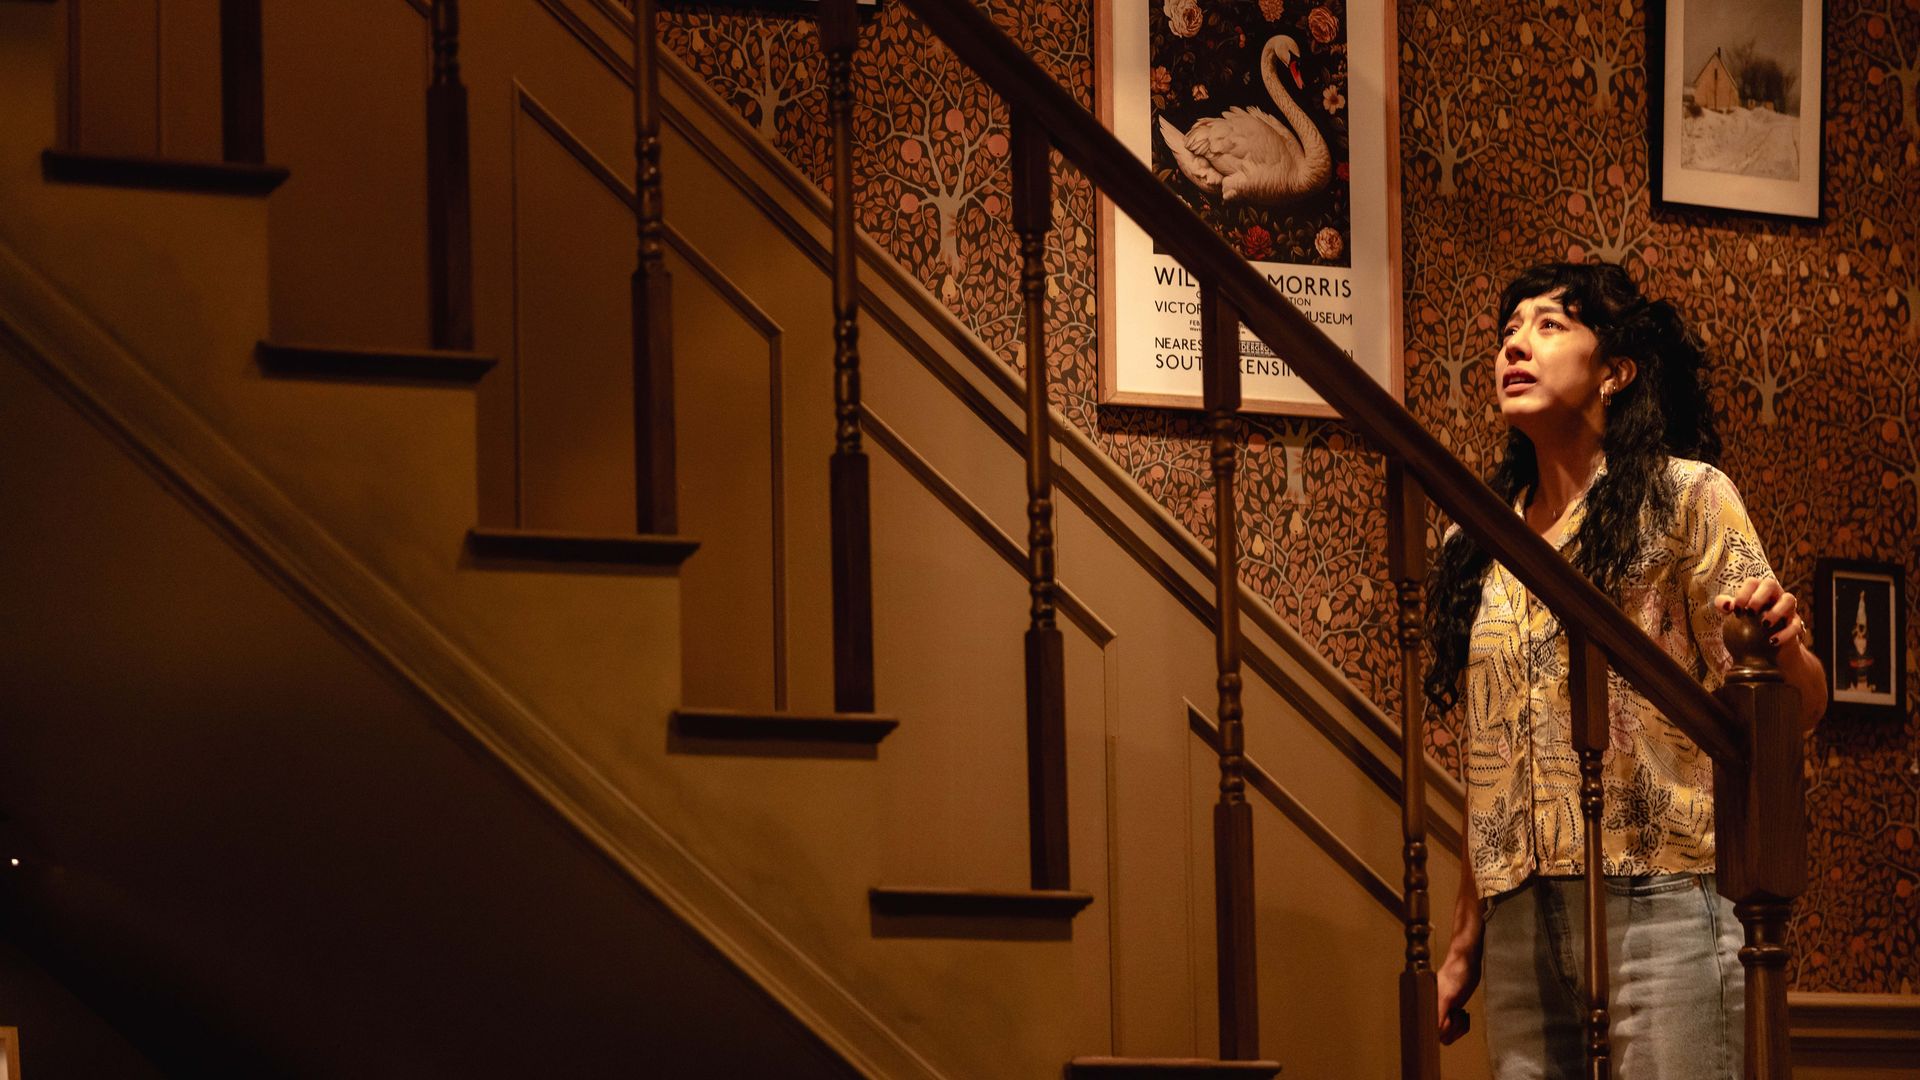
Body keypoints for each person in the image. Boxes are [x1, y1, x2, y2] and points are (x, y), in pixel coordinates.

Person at [1422, 262, 1827, 1079]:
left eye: (1548, 325)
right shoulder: (1478, 540)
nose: (1514, 345)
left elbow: (1802, 706)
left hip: (1665, 903)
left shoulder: (1688, 498)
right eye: (1507, 330)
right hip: (1520, 922)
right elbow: (1493, 758)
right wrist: (1466, 935)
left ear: (1616, 370)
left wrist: (1784, 645)